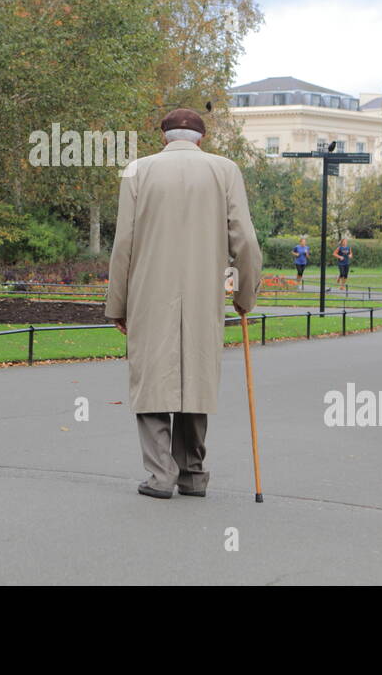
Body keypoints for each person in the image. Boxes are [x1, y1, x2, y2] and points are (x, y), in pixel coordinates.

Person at [105, 108, 262, 499]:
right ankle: (192, 472)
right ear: (201, 139)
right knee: (196, 376)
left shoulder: (137, 171)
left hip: (148, 292)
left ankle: (160, 476)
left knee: (152, 379)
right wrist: (245, 296)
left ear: (164, 137)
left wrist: (118, 305)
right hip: (202, 293)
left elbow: (124, 243)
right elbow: (245, 241)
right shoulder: (225, 170)